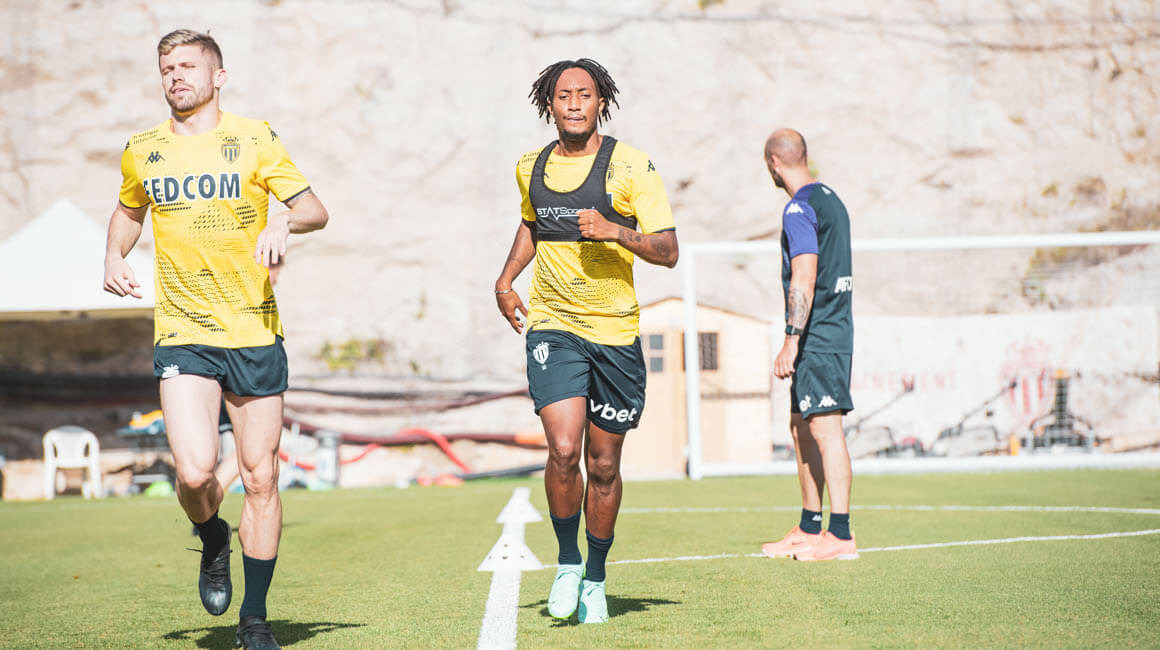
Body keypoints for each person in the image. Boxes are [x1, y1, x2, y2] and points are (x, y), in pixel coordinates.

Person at [103, 29, 328, 649]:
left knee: (260, 479)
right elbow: (128, 212)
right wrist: (113, 254)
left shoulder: (255, 138)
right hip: (184, 332)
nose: (176, 76)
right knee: (196, 471)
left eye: (187, 66)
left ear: (218, 76)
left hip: (254, 330)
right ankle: (211, 536)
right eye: (167, 68)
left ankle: (254, 621)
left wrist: (283, 219)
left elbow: (315, 209)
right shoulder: (143, 149)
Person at [494, 59, 678, 623]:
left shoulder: (632, 166)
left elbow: (668, 250)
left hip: (616, 333)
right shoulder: (530, 166)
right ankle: (568, 562)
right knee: (563, 448)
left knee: (603, 465)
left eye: (585, 94)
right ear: (548, 104)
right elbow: (533, 224)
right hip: (554, 326)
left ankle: (595, 577)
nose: (574, 104)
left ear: (602, 102)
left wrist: (615, 230)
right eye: (563, 95)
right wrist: (505, 280)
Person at [758, 129, 857, 561]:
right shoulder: (830, 198)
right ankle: (809, 526)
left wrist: (791, 340)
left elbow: (805, 275)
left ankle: (841, 534)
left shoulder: (799, 207)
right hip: (826, 331)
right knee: (800, 425)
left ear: (773, 163)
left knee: (825, 429)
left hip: (821, 335)